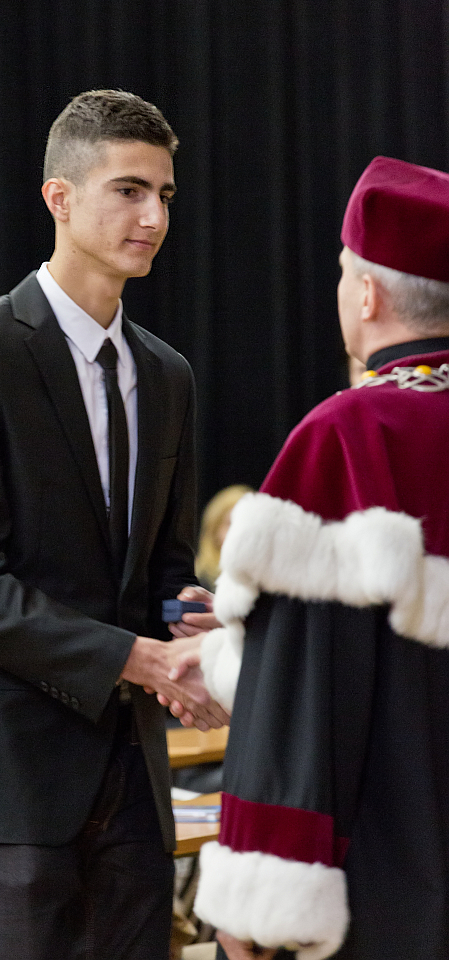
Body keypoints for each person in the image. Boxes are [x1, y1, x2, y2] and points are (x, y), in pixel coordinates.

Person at [0, 88, 228, 960]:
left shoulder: (167, 372)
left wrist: (191, 628)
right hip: (9, 763)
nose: (153, 217)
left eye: (163, 194)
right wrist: (137, 658)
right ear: (59, 198)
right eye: (127, 190)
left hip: (132, 765)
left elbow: (163, 566)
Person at [168, 156, 449, 960]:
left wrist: (257, 902)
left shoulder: (351, 437)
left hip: (392, 882)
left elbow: (308, 690)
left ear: (366, 294)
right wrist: (232, 655)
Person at [195, 486, 253, 589]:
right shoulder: (197, 582)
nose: (240, 532)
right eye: (231, 523)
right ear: (214, 531)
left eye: (246, 524)